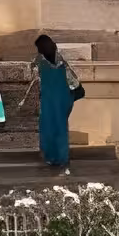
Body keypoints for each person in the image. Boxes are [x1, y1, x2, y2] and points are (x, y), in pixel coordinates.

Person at [33, 32, 86, 171]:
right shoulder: (62, 62)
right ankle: (62, 158)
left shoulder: (39, 63)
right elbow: (73, 83)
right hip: (63, 99)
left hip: (48, 100)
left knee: (48, 128)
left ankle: (51, 157)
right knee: (61, 128)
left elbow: (34, 83)